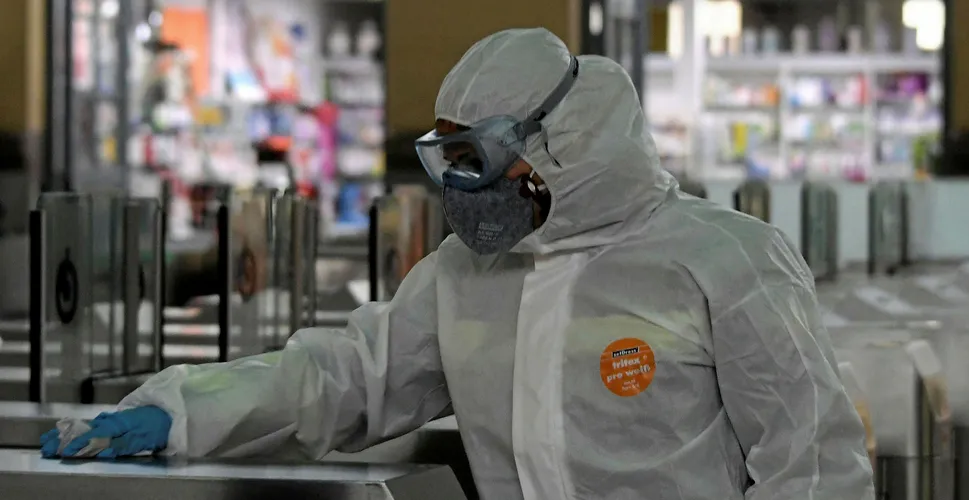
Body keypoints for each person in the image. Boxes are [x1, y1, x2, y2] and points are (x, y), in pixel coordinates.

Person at [42, 28, 875, 499]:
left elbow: (812, 467)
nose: (460, 188)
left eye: (475, 159)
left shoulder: (726, 260)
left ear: (560, 142)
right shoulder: (462, 277)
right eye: (448, 161)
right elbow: (349, 378)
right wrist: (188, 411)